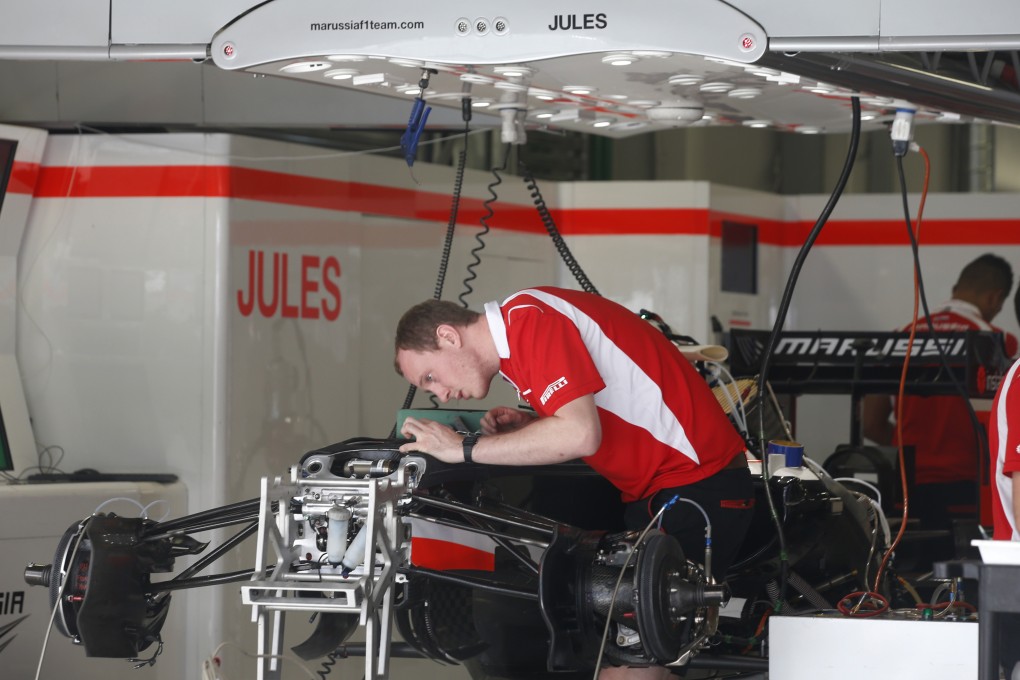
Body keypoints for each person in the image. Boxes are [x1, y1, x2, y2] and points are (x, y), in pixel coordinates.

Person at [394, 287, 754, 675]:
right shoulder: (520, 339)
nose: (442, 394)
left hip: (695, 486)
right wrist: (536, 425)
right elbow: (599, 416)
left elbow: (580, 435)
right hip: (665, 491)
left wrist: (461, 449)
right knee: (634, 652)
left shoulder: (529, 322)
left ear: (449, 336)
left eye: (432, 377)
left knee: (634, 661)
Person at [862, 253, 1018, 533]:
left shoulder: (900, 337)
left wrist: (914, 447)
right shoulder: (998, 342)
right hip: (969, 490)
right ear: (995, 298)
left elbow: (871, 424)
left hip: (906, 489)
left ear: (956, 289)